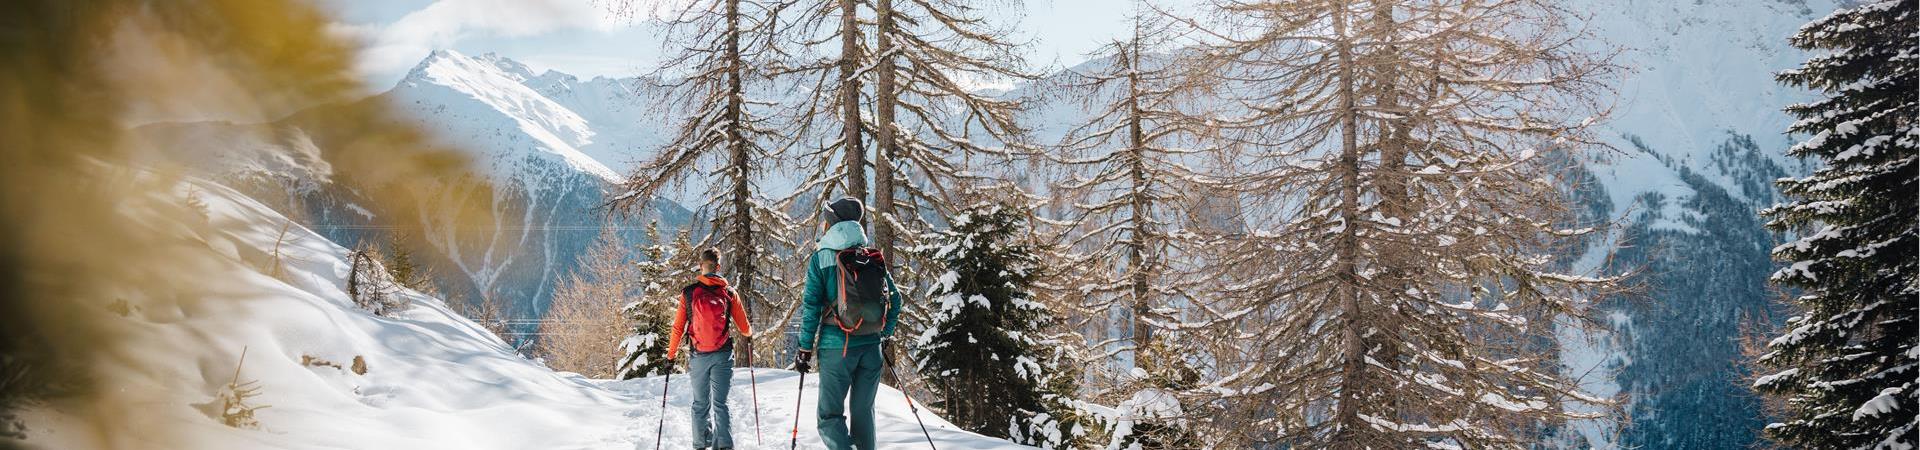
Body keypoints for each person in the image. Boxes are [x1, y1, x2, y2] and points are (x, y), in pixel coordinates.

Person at [793, 197, 903, 450]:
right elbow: (896, 300)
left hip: (837, 347)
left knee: (829, 417)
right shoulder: (871, 256)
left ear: (831, 224)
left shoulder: (821, 258)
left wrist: (804, 349)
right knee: (864, 414)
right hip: (871, 348)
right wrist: (883, 333)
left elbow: (811, 307)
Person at [667, 248, 753, 450]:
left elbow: (678, 328)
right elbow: (744, 326)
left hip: (699, 356)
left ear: (701, 266)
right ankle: (723, 445)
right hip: (722, 354)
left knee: (700, 404)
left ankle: (700, 444)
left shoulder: (689, 293)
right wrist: (749, 334)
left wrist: (670, 356)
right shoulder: (729, 292)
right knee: (720, 404)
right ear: (719, 267)